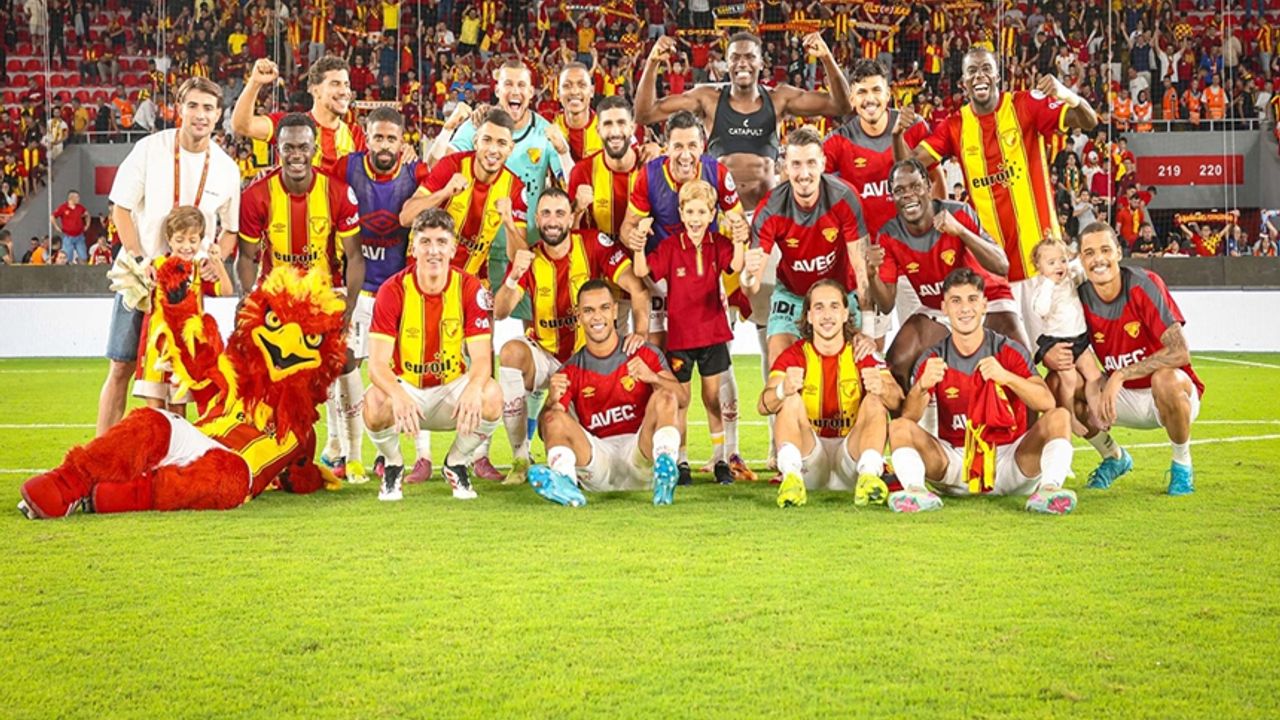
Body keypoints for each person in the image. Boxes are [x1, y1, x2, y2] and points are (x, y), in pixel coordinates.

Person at [896, 47, 1099, 343]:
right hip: (994, 271)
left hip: (1044, 261)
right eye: (972, 71)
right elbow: (909, 167)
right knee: (1009, 358)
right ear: (963, 82)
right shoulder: (954, 126)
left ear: (997, 76)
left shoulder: (1025, 105)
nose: (980, 76)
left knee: (1067, 357)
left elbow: (1089, 120)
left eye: (986, 69)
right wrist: (897, 134)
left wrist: (1065, 93)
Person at [99, 77, 241, 437]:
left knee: (184, 377)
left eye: (208, 108)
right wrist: (139, 259)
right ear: (179, 109)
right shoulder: (149, 149)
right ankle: (99, 451)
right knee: (121, 366)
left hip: (188, 291)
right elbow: (120, 209)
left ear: (219, 115)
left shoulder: (226, 167)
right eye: (193, 106)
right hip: (142, 279)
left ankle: (176, 453)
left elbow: (230, 231)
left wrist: (216, 259)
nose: (200, 115)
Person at [618, 110, 750, 482]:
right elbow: (628, 227)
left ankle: (729, 453)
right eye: (678, 145)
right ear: (666, 146)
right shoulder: (649, 176)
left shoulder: (717, 174)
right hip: (663, 276)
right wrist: (636, 238)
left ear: (702, 146)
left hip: (710, 278)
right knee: (666, 372)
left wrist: (740, 236)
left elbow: (739, 223)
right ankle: (670, 453)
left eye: (692, 145)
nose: (685, 153)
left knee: (718, 374)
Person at [886, 268, 1079, 515]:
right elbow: (909, 418)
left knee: (1060, 416)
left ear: (984, 305)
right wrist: (921, 386)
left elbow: (1047, 403)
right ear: (944, 308)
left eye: (972, 299)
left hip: (1011, 461)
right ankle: (915, 492)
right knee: (898, 427)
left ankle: (1050, 490)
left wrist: (1007, 377)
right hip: (957, 463)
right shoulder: (934, 356)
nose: (965, 308)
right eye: (956, 301)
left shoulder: (1007, 349)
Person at [494, 188, 650, 484]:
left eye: (560, 213)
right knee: (511, 352)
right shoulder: (529, 257)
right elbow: (501, 312)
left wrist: (641, 332)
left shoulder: (593, 244)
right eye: (546, 214)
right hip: (545, 354)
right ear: (537, 218)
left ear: (570, 218)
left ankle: (631, 460)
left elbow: (637, 288)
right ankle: (520, 458)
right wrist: (513, 276)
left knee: (560, 427)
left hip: (585, 361)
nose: (553, 221)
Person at [1043, 223, 1204, 496]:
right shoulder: (1079, 296)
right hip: (1119, 397)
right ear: (1081, 259)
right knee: (1057, 382)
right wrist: (1050, 356)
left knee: (1165, 379)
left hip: (1167, 394)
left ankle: (1182, 464)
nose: (1098, 259)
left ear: (1118, 252)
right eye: (1090, 253)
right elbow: (1062, 345)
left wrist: (1120, 374)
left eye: (1105, 250)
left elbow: (1180, 352)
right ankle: (1113, 457)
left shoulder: (1144, 284)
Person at [363, 209, 502, 502]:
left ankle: (456, 462)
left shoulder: (470, 288)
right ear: (413, 248)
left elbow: (481, 359)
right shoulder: (392, 290)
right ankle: (393, 464)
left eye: (441, 242)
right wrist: (397, 394)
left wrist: (473, 387)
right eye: (425, 242)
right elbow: (376, 365)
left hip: (451, 390)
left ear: (453, 248)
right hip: (408, 390)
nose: (433, 250)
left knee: (491, 395)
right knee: (373, 402)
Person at [635, 32, 852, 214]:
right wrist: (652, 62)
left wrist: (826, 58)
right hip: (720, 215)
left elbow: (841, 106)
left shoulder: (779, 99)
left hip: (765, 215)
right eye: (735, 57)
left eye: (749, 57)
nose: (742, 63)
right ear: (727, 63)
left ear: (761, 62)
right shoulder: (708, 99)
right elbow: (645, 114)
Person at [330, 107, 433, 485]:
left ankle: (412, 455)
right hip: (356, 290)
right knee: (342, 369)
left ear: (403, 141)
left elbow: (436, 194)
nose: (385, 145)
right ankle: (340, 448)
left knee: (408, 373)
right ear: (366, 137)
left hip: (399, 293)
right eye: (378, 137)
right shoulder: (346, 168)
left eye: (392, 138)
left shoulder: (415, 173)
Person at [866, 159, 1024, 390]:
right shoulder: (889, 234)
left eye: (915, 186)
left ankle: (1023, 416)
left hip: (986, 299)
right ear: (892, 196)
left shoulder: (957, 213)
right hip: (937, 307)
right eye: (899, 190)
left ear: (928, 187)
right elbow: (887, 304)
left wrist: (961, 231)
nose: (908, 195)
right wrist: (871, 275)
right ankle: (912, 414)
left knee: (1020, 361)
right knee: (896, 363)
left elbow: (1002, 265)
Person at [525, 280, 686, 506]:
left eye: (604, 308)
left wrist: (653, 377)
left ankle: (665, 470)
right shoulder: (570, 370)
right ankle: (566, 483)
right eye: (588, 310)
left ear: (615, 311)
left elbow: (682, 398)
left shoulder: (643, 353)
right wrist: (551, 400)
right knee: (553, 417)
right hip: (598, 462)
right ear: (578, 316)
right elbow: (548, 429)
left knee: (665, 395)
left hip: (641, 456)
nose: (597, 317)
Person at [759, 280, 903, 508]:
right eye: (819, 307)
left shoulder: (862, 353)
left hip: (851, 460)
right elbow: (763, 405)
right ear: (808, 316)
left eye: (834, 306)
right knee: (789, 400)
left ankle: (869, 476)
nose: (827, 315)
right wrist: (781, 390)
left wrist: (883, 389)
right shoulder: (794, 355)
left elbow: (897, 401)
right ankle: (791, 478)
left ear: (846, 314)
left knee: (876, 400)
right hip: (810, 461)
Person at [400, 108, 527, 287]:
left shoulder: (515, 188)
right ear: (475, 142)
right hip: (422, 276)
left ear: (510, 149)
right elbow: (405, 218)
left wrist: (509, 224)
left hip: (467, 283)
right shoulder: (451, 165)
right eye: (487, 140)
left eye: (501, 143)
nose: (493, 149)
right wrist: (444, 193)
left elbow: (520, 259)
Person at [133, 207, 234, 415]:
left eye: (193, 240)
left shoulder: (199, 269)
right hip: (156, 348)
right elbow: (140, 299)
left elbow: (226, 291)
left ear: (201, 241)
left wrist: (217, 262)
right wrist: (142, 274)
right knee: (155, 411)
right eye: (180, 240)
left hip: (185, 350)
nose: (186, 247)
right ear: (169, 239)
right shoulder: (156, 265)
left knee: (178, 411)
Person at [231, 56, 367, 175]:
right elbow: (241, 125)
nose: (344, 91)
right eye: (335, 84)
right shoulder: (290, 126)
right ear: (315, 90)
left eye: (346, 85)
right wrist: (255, 82)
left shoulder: (357, 135)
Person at [1026, 238, 1090, 436]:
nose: (1059, 266)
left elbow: (1082, 269)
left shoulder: (1070, 279)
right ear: (1039, 267)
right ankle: (1070, 416)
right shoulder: (1042, 288)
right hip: (1057, 341)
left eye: (1062, 260)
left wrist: (1074, 264)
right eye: (1051, 263)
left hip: (1079, 337)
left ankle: (1097, 409)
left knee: (1093, 374)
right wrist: (1049, 284)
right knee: (1068, 378)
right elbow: (1041, 310)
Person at [568, 96, 641, 240]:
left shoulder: (649, 166)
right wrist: (576, 211)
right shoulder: (582, 172)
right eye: (608, 124)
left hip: (644, 253)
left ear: (632, 128)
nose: (615, 132)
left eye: (621, 123)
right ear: (598, 130)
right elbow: (569, 237)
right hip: (596, 254)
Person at [51, 190, 89, 264]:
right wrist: (56, 227)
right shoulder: (63, 207)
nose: (79, 199)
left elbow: (87, 214)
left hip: (79, 236)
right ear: (71, 198)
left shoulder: (80, 207)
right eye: (77, 197)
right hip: (68, 236)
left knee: (83, 256)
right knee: (67, 257)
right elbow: (52, 216)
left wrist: (87, 225)